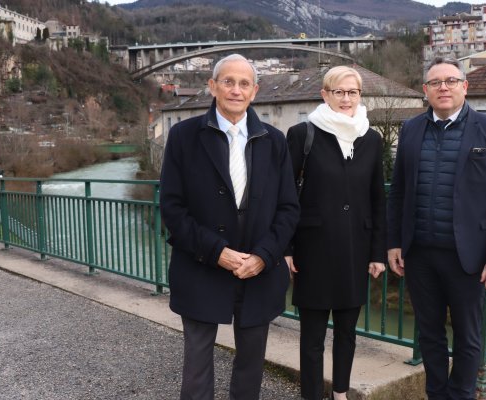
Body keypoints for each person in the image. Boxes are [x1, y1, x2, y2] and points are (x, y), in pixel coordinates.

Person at [160, 53, 300, 400]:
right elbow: (172, 208)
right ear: (213, 86)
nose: (235, 90)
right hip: (200, 267)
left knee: (251, 366)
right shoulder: (183, 136)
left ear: (255, 90)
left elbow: (288, 208)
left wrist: (265, 256)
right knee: (196, 367)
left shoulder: (274, 140)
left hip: (258, 273)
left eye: (243, 83)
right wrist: (216, 252)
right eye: (227, 81)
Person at [386, 57, 486, 400]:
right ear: (425, 91)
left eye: (450, 81)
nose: (443, 87)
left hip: (469, 258)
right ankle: (435, 393)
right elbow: (398, 191)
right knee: (429, 334)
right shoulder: (411, 129)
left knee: (468, 336)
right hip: (419, 254)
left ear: (465, 86)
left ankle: (460, 395)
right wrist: (394, 243)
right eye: (435, 83)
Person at [285, 66, 387, 400]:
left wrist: (377, 253)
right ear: (325, 94)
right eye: (339, 91)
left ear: (360, 96)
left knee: (347, 332)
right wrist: (286, 247)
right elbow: (285, 196)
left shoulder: (371, 139)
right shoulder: (303, 134)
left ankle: (340, 393)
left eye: (353, 92)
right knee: (312, 337)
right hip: (312, 250)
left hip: (355, 250)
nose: (346, 99)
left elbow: (377, 199)